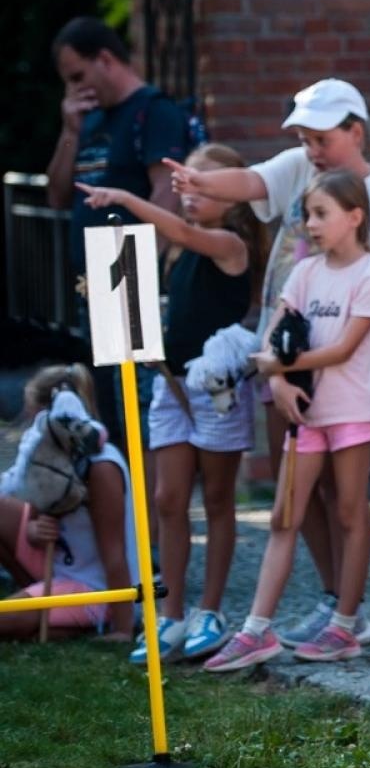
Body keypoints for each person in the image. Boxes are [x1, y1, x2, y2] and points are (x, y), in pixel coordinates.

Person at [168, 78, 370, 649]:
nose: (311, 150)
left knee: (343, 499)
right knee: (295, 489)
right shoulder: (303, 166)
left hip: (339, 382)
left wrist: (296, 367)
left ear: (356, 132)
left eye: (322, 138)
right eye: (303, 138)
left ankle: (349, 612)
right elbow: (253, 181)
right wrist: (201, 181)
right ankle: (333, 598)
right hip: (282, 368)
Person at [77, 144, 266, 664]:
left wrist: (125, 199)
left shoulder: (229, 244)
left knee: (219, 499)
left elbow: (182, 231)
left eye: (203, 186)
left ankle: (210, 610)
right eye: (187, 186)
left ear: (232, 196)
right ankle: (171, 613)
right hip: (171, 385)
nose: (190, 196)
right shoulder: (177, 253)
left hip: (215, 389)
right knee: (167, 498)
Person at [204, 171, 370, 671]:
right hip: (305, 415)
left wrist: (276, 368)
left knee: (350, 513)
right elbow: (274, 331)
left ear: (355, 217)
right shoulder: (305, 272)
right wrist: (281, 383)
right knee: (284, 517)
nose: (311, 224)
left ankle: (346, 624)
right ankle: (255, 629)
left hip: (350, 413)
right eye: (308, 214)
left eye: (322, 214)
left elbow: (342, 349)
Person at [46, 17, 188, 445]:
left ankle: (145, 486)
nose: (75, 90)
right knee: (108, 398)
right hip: (93, 282)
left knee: (137, 404)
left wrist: (137, 272)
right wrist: (70, 132)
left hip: (127, 274)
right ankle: (126, 485)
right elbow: (57, 195)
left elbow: (168, 193)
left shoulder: (153, 112)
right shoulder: (89, 119)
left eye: (78, 76)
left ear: (105, 59)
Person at [0, 366, 136, 640]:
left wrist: (124, 629)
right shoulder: (47, 456)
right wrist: (33, 530)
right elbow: (33, 511)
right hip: (61, 565)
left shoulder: (100, 467)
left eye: (32, 414)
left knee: (5, 620)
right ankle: (40, 606)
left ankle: (71, 618)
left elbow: (114, 553)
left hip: (94, 586)